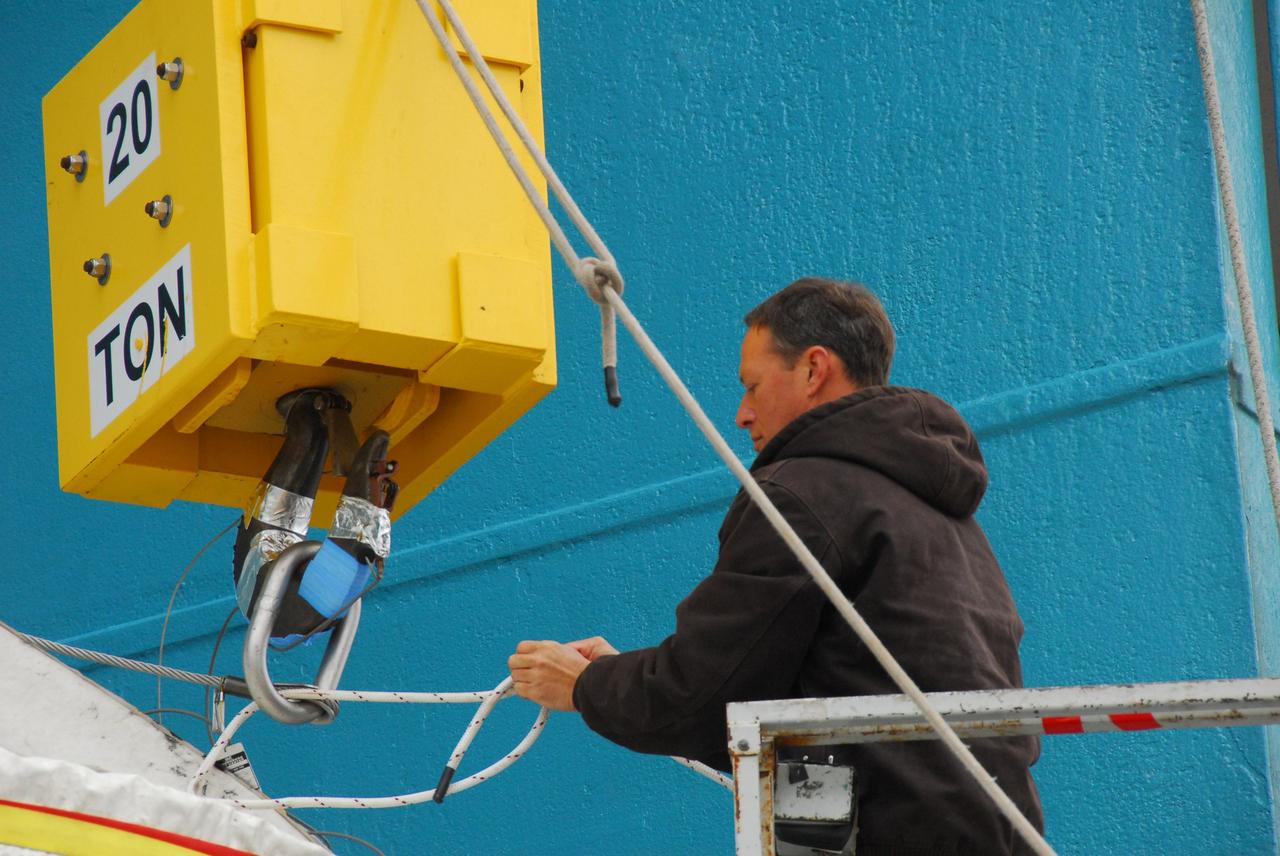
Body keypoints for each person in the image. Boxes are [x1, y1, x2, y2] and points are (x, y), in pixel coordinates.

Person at [508, 277, 1044, 854]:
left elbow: (699, 694)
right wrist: (623, 675)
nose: (741, 414)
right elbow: (769, 698)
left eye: (753, 385)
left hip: (881, 830)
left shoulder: (798, 496)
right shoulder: (945, 514)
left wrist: (585, 685)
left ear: (814, 369)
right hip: (993, 825)